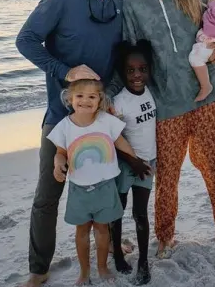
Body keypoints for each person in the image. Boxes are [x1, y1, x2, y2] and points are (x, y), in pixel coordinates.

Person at [15, 0, 126, 287]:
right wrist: (64, 71)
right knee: (49, 195)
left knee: (106, 184)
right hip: (61, 117)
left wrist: (107, 93)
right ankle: (39, 269)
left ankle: (110, 249)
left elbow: (116, 53)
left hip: (101, 117)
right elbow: (26, 39)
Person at [121, 0, 215, 256]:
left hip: (211, 99)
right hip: (168, 106)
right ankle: (164, 237)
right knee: (167, 177)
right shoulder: (134, 7)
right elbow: (129, 56)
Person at [49, 79, 143, 286]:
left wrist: (136, 160)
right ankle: (84, 272)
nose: (85, 101)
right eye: (79, 96)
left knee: (102, 230)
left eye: (92, 96)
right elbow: (60, 153)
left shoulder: (106, 120)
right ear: (70, 99)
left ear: (99, 99)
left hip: (105, 186)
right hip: (79, 189)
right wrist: (58, 165)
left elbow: (121, 142)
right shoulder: (64, 126)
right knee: (82, 231)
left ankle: (102, 266)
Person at [110, 40, 157, 284]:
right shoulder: (119, 102)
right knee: (117, 211)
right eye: (131, 70)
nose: (137, 75)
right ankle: (117, 252)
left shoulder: (151, 92)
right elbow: (114, 138)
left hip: (147, 164)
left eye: (142, 69)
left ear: (149, 70)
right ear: (123, 72)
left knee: (141, 213)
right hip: (126, 165)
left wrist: (144, 163)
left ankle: (143, 262)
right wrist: (133, 161)